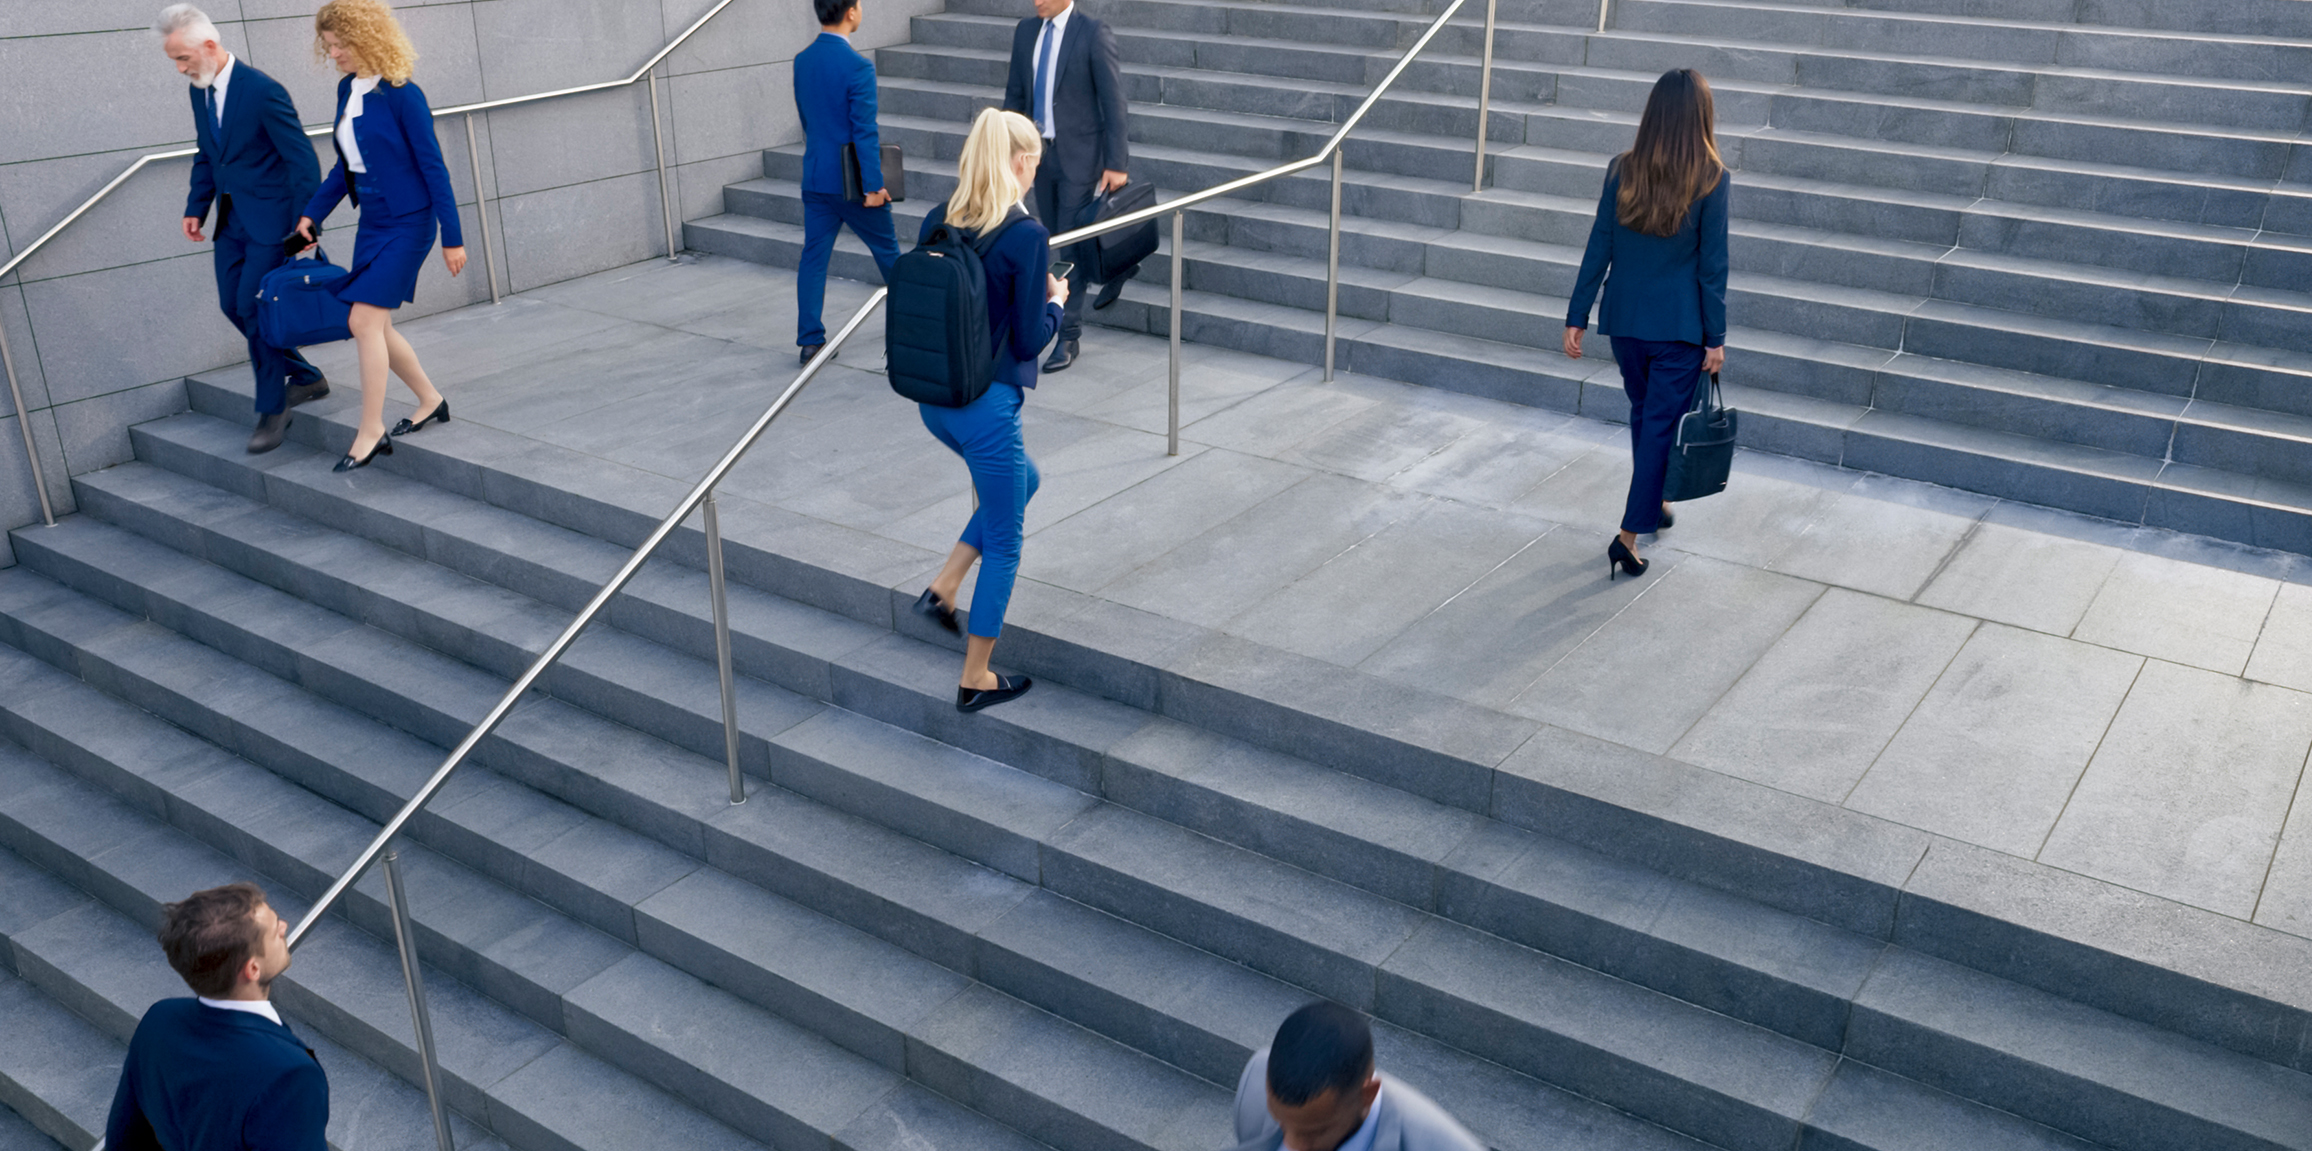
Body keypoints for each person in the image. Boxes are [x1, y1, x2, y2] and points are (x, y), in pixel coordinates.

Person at [909, 109, 1066, 713]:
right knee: (1006, 542)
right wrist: (1054, 302)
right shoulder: (1026, 235)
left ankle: (944, 587)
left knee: (1025, 480)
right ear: (1021, 162)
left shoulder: (939, 219)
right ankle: (976, 677)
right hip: (986, 407)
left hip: (936, 401)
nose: (1033, 176)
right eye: (1034, 165)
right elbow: (1027, 341)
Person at [1562, 68, 1729, 581]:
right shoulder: (1711, 177)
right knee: (1657, 425)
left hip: (1627, 324)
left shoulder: (1621, 169)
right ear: (1701, 115)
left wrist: (1578, 315)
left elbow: (1600, 245)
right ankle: (1628, 538)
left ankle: (1653, 503)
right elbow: (1712, 265)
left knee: (1645, 418)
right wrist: (1716, 338)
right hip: (1678, 329)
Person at [293, 0, 466, 473]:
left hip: (409, 223)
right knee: (378, 326)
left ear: (365, 39)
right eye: (327, 47)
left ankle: (371, 431)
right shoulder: (348, 89)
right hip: (372, 221)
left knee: (363, 323)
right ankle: (430, 399)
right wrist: (312, 215)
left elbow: (434, 168)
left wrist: (453, 237)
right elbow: (343, 166)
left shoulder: (402, 94)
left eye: (338, 45)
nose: (332, 55)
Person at [159, 4, 330, 456]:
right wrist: (197, 205)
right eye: (174, 59)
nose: (179, 69)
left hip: (273, 223)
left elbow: (302, 160)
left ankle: (273, 407)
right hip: (230, 221)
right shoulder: (200, 89)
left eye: (183, 58)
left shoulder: (262, 91)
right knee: (232, 306)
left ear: (209, 46)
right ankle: (308, 377)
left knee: (253, 309)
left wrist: (308, 221)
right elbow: (207, 152)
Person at [105, 883, 327, 1151]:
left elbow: (125, 1138)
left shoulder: (159, 1020)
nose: (284, 926)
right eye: (273, 929)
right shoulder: (289, 1075)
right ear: (252, 969)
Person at [1000, 0, 1128, 373]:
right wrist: (1008, 152)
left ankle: (1068, 334)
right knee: (1052, 236)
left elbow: (1113, 100)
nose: (1036, 0)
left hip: (1080, 156)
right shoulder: (1026, 32)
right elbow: (1015, 98)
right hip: (1038, 158)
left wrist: (1116, 162)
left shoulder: (1092, 33)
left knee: (1067, 240)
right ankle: (1115, 267)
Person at [794, 0, 901, 368]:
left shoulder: (802, 60)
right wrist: (873, 185)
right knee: (889, 255)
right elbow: (864, 131)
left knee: (813, 258)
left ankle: (810, 342)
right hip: (854, 185)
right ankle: (911, 333)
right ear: (851, 11)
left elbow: (807, 121)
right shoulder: (858, 67)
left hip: (816, 175)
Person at [1230, 1002, 1483, 1151]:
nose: (1293, 1146)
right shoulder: (1254, 1082)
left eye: (1315, 1133)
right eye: (1282, 1123)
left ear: (1368, 1095)